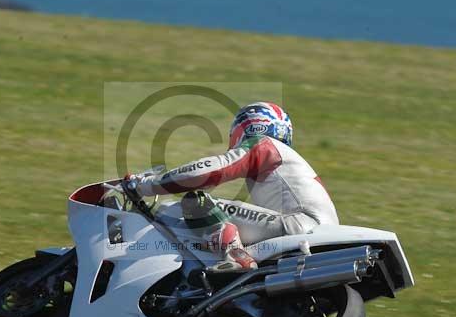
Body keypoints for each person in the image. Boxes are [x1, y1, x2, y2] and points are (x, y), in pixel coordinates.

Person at [128, 102, 338, 272]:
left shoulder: (262, 144)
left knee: (197, 202)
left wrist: (145, 185)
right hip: (324, 232)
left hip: (301, 225)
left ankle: (235, 256)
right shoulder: (288, 161)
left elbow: (207, 171)